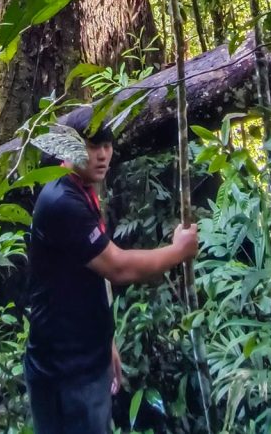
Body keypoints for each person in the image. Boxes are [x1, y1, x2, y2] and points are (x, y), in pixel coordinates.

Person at [23, 125, 199, 434]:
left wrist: (106, 342)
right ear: (69, 148)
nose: (103, 155)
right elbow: (117, 267)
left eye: (107, 145)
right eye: (93, 146)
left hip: (86, 360)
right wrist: (178, 251)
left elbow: (91, 275)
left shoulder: (82, 190)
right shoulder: (61, 201)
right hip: (65, 374)